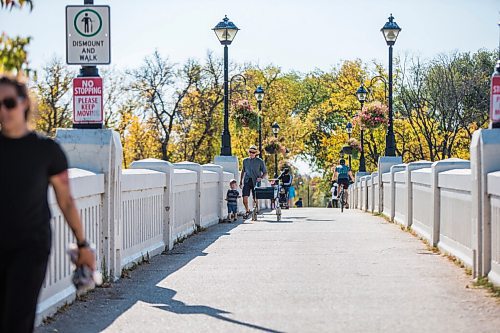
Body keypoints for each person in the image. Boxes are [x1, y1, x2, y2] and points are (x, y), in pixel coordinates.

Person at [0, 76, 96, 333]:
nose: (3, 110)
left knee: (17, 322)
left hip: (31, 248)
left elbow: (66, 200)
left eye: (8, 103)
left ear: (23, 104)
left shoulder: (46, 151)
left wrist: (82, 243)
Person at [239, 145, 267, 219]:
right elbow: (243, 171)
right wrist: (240, 181)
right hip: (247, 181)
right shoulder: (245, 161)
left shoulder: (260, 161)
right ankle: (247, 210)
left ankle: (256, 211)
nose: (251, 153)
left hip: (256, 181)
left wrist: (260, 178)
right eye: (250, 152)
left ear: (255, 153)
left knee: (255, 198)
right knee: (244, 198)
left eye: (253, 152)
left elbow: (265, 172)